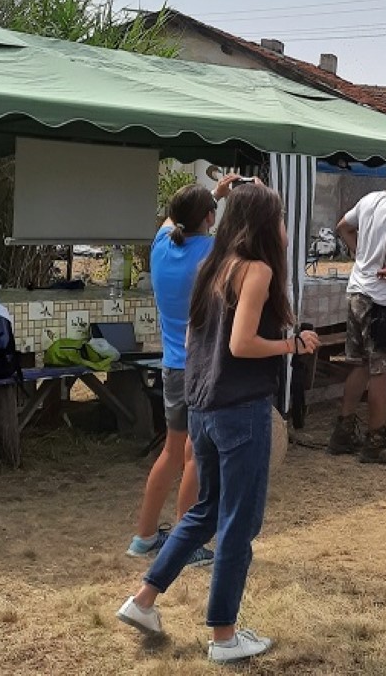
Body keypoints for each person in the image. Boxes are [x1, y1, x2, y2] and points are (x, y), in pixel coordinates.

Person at [116, 181, 320, 664]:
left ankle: (143, 602)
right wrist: (293, 345)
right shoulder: (257, 271)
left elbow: (194, 341)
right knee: (237, 524)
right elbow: (242, 345)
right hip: (239, 409)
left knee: (204, 512)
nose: (286, 228)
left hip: (203, 405)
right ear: (265, 225)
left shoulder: (212, 265)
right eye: (281, 218)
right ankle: (224, 636)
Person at [125, 176, 238, 564]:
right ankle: (185, 543)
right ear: (208, 217)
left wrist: (214, 196)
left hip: (172, 365)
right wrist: (225, 198)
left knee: (172, 453)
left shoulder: (160, 245)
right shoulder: (210, 251)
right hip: (202, 365)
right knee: (196, 456)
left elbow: (172, 223)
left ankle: (143, 537)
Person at [327, 148, 386, 464]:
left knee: (360, 365)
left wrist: (359, 255)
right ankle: (376, 440)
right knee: (382, 370)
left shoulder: (369, 200)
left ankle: (343, 432)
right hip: (382, 300)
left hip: (357, 292)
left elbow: (342, 225)